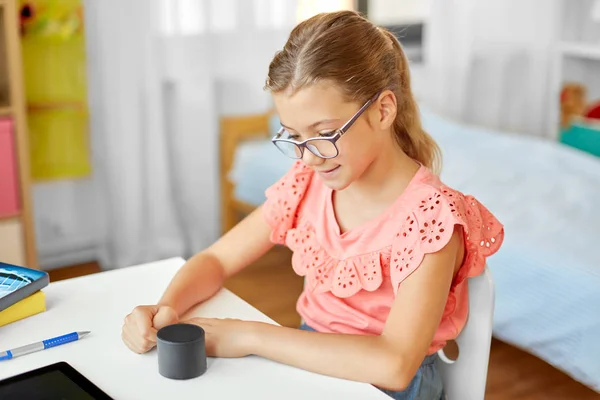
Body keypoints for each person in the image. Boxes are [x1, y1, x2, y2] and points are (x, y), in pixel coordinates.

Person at [121, 10, 504, 400]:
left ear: (382, 110)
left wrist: (252, 335)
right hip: (310, 364)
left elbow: (395, 365)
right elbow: (217, 260)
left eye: (324, 134)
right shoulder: (308, 183)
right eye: (293, 136)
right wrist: (166, 309)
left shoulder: (431, 219)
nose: (307, 158)